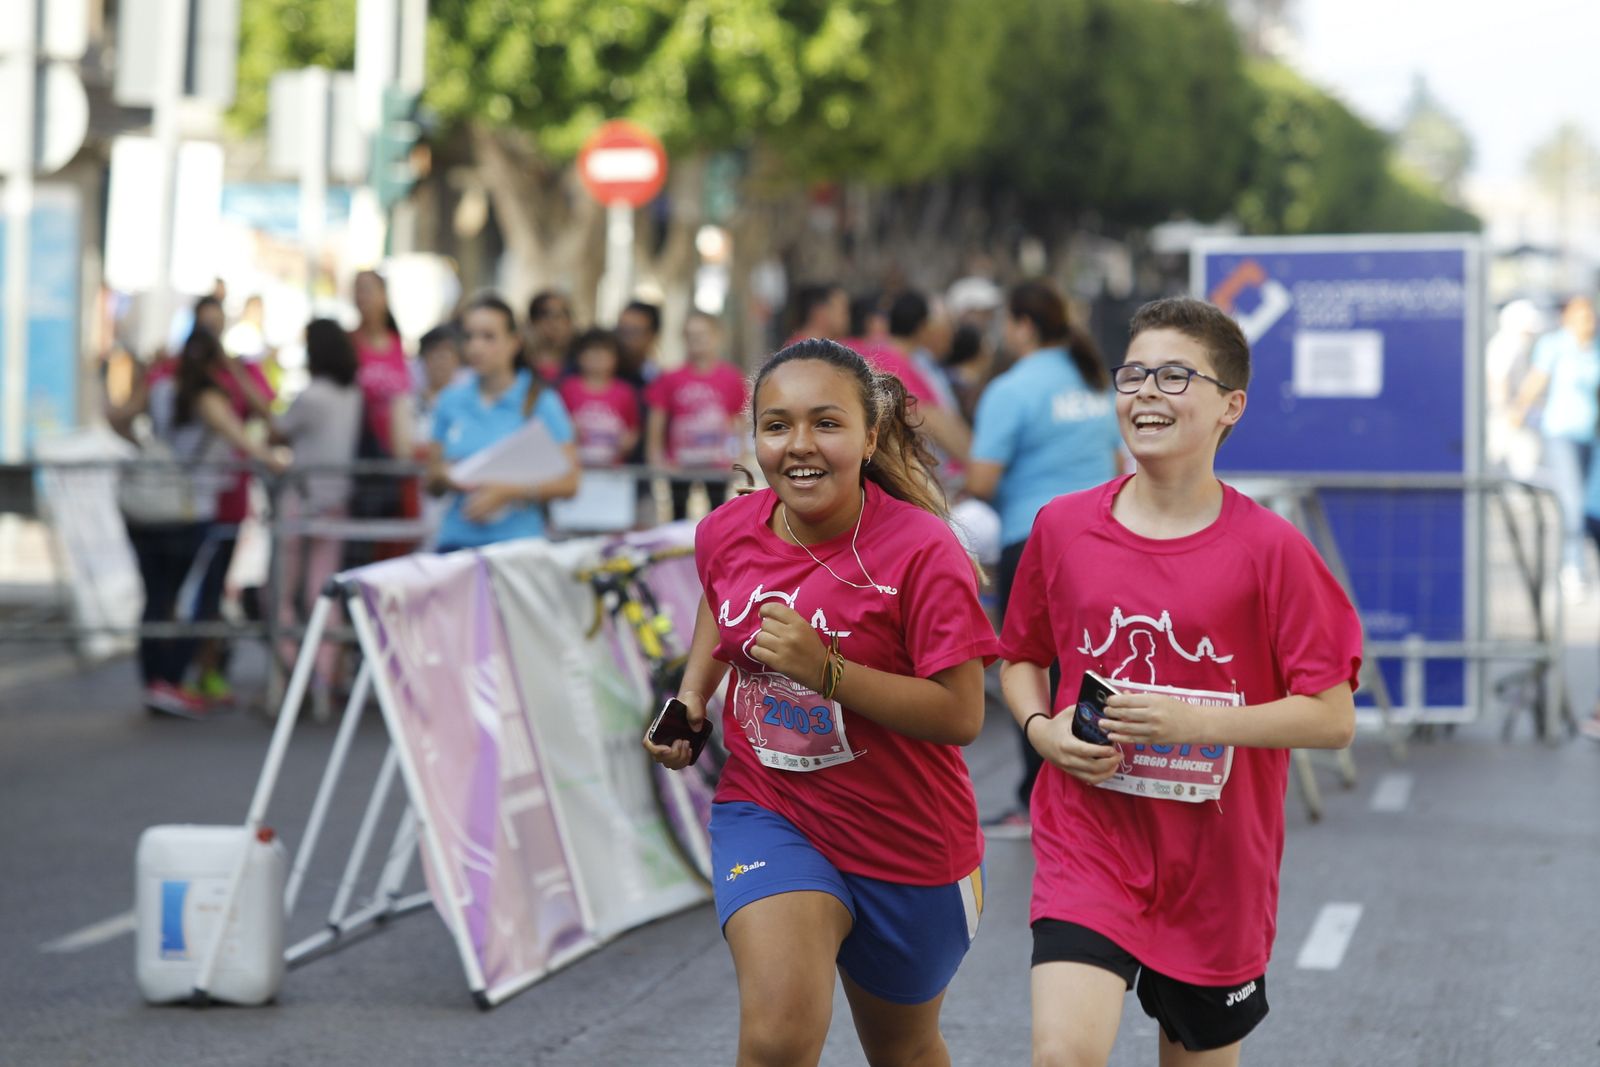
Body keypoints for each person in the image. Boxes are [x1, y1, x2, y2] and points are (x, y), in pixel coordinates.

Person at [997, 297, 1360, 1066]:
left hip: (1217, 866)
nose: (1145, 392)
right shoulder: (1061, 527)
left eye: (1173, 375)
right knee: (1063, 1053)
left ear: (1231, 405)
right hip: (1088, 840)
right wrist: (1041, 732)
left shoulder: (1272, 550)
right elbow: (1019, 656)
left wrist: (1193, 721)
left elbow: (1331, 716)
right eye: (1133, 373)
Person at [645, 337, 996, 1067]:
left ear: (870, 435)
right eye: (776, 426)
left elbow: (961, 715)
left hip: (908, 839)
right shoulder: (726, 530)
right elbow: (723, 602)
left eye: (825, 423)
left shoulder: (922, 552)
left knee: (903, 1047)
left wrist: (826, 670)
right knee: (776, 1037)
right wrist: (692, 698)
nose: (798, 446)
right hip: (772, 810)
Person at [966, 280, 1123, 836]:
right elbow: (1115, 458)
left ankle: (1038, 795)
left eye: (1007, 324)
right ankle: (1095, 781)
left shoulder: (1012, 389)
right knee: (1091, 665)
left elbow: (983, 478)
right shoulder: (1094, 383)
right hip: (1105, 538)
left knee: (1030, 667)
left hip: (1032, 539)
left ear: (1023, 326)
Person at [107, 331, 287, 718]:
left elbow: (118, 418)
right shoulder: (208, 398)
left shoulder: (158, 388)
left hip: (148, 507)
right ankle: (169, 679)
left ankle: (155, 678)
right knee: (193, 598)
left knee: (156, 597)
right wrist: (276, 461)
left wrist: (146, 450)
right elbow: (245, 440)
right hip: (192, 510)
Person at [425, 293, 580, 552]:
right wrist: (447, 476)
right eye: (469, 337)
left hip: (516, 548)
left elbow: (570, 482)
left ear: (514, 342)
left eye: (488, 337)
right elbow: (431, 480)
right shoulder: (450, 400)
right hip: (455, 543)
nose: (476, 347)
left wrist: (508, 492)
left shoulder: (540, 400)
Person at [269, 320, 362, 712]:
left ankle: (298, 669)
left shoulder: (312, 397)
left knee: (282, 592)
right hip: (336, 500)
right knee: (324, 592)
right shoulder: (351, 395)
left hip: (302, 499)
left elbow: (277, 431)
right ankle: (326, 675)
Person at [1512, 294, 1599, 596]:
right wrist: (1518, 410)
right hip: (1560, 433)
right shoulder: (1556, 346)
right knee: (1571, 502)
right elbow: (1536, 380)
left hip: (1590, 437)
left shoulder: (1595, 349)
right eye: (1581, 316)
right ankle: (1572, 568)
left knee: (1590, 506)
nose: (1587, 323)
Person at [644, 312, 748, 520]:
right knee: (678, 513)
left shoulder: (731, 377)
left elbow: (739, 420)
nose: (696, 341)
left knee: (718, 513)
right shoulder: (670, 377)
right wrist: (656, 455)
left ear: (717, 336)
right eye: (690, 335)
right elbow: (658, 418)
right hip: (681, 463)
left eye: (702, 334)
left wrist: (740, 456)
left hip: (717, 462)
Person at [559, 327, 641, 468]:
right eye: (592, 354)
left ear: (615, 358)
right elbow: (557, 423)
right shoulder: (568, 388)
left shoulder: (625, 392)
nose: (597, 360)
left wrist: (628, 442)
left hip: (613, 470)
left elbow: (633, 428)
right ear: (580, 357)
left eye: (603, 354)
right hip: (575, 468)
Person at [525, 289, 576, 384]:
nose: (555, 324)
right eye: (547, 315)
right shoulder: (518, 361)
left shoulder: (581, 361)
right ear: (533, 321)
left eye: (562, 315)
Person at [616, 300, 662, 388]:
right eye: (621, 330)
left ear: (652, 336)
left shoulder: (654, 380)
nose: (624, 338)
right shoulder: (600, 373)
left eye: (634, 331)